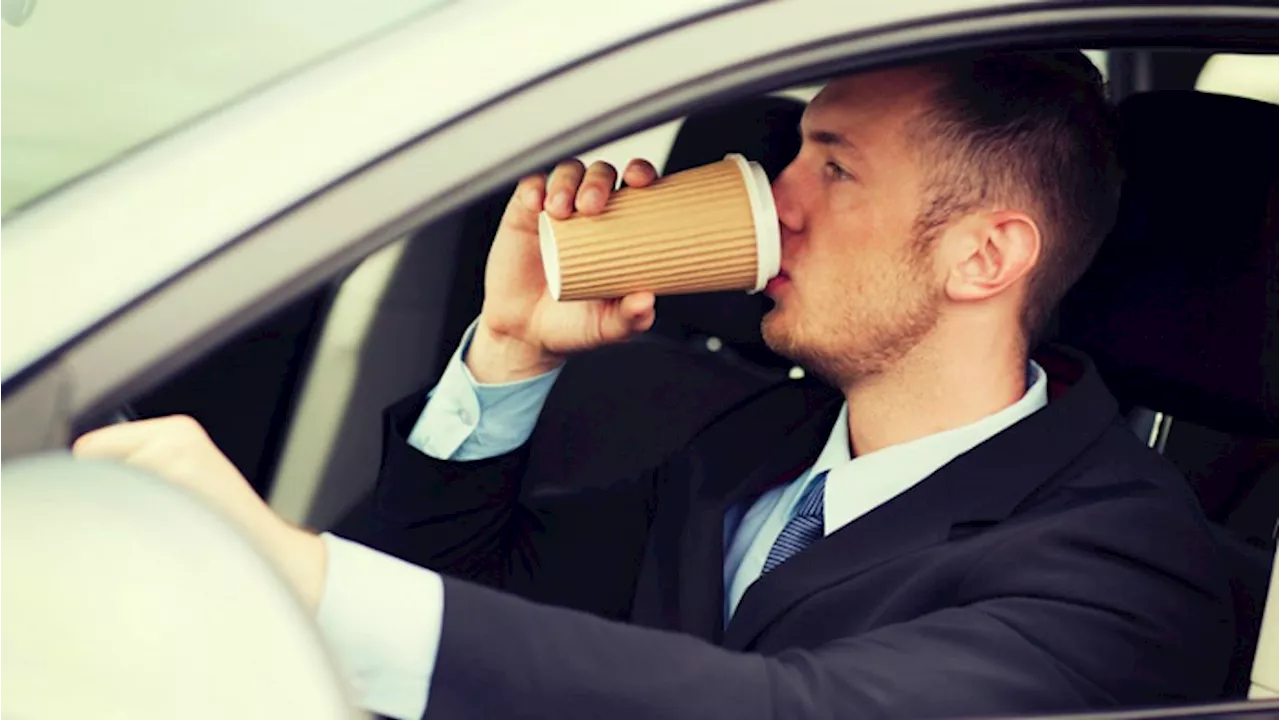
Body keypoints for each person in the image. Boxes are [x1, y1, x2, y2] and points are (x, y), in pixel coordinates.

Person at [72, 51, 1234, 720]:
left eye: (832, 168)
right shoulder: (751, 440)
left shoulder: (1122, 565)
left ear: (982, 255)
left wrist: (299, 574)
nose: (777, 198)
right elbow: (444, 596)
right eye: (794, 153)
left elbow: (790, 712)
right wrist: (510, 351)